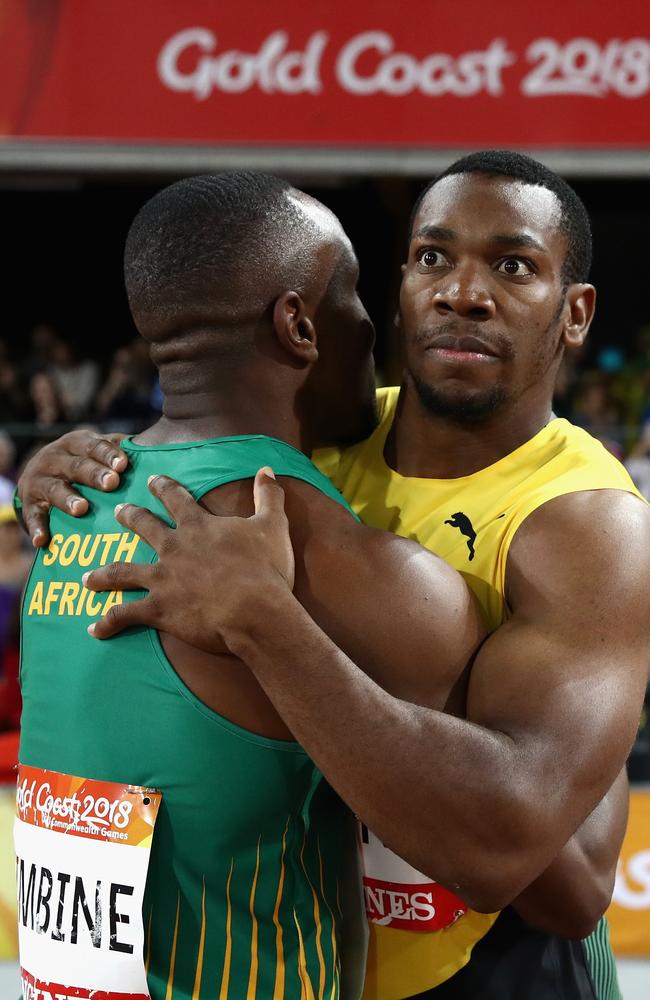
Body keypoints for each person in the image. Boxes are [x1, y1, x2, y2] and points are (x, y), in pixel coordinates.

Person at [17, 155, 649, 1000]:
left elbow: (565, 885)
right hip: (322, 960)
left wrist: (273, 626)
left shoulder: (589, 525)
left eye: (512, 265)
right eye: (433, 256)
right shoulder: (315, 447)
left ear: (574, 315)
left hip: (498, 970)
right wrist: (68, 468)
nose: (462, 290)